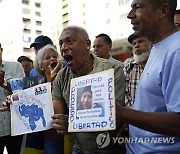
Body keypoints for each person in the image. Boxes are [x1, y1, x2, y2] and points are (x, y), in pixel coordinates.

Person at [116, 0, 180, 153]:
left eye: (137, 7)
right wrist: (131, 127)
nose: (130, 15)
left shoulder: (176, 51)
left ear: (163, 11)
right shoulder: (158, 46)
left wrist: (122, 113)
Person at [51, 26, 125, 154]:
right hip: (80, 149)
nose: (63, 47)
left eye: (70, 41)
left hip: (110, 150)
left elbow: (115, 115)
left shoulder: (113, 70)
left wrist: (74, 123)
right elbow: (58, 115)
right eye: (61, 43)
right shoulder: (61, 77)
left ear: (87, 44)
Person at [33, 44, 64, 154]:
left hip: (69, 135)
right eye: (47, 58)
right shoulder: (37, 88)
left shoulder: (68, 79)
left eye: (55, 56)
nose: (52, 59)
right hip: (51, 138)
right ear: (41, 66)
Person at [0, 43, 25, 154]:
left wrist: (4, 84)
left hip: (15, 127)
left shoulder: (15, 66)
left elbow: (24, 92)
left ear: (1, 50)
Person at [124, 34, 152, 108]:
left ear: (151, 44)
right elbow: (124, 93)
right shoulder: (129, 67)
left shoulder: (159, 64)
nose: (136, 46)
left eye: (140, 42)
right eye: (134, 44)